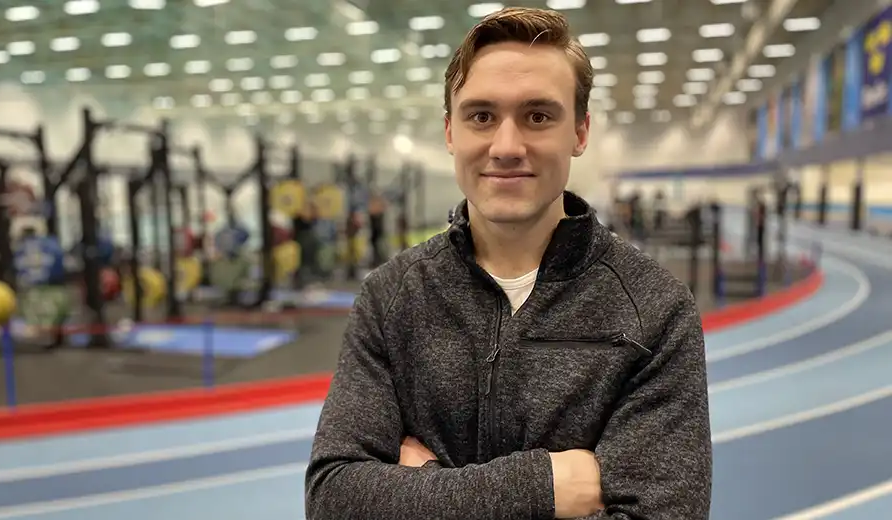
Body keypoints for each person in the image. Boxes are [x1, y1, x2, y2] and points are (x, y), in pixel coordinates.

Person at [305, 6, 712, 520]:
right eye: (481, 117)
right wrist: (544, 487)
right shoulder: (390, 298)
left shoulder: (654, 312)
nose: (506, 146)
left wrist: (424, 487)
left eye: (538, 116)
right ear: (450, 132)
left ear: (580, 132)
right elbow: (333, 499)